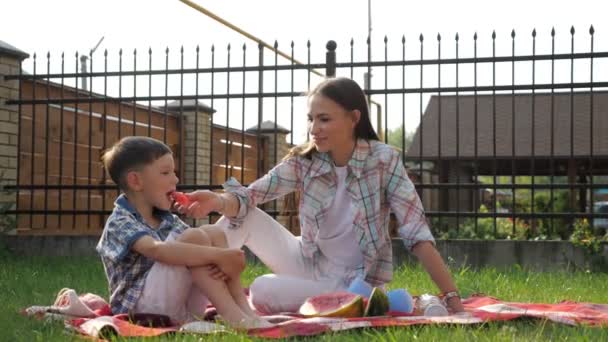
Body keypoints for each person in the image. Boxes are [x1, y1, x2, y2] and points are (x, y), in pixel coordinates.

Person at [177, 77, 465, 315]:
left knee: (263, 288)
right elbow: (253, 195)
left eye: (324, 119)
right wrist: (218, 201)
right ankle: (188, 307)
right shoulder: (306, 160)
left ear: (354, 118)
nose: (314, 129)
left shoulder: (384, 161)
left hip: (350, 282)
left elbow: (416, 233)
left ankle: (354, 304)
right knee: (240, 215)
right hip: (307, 258)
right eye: (311, 119)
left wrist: (452, 299)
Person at [96, 136, 271, 328]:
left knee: (214, 232)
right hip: (141, 310)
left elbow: (201, 247)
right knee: (194, 237)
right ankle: (233, 316)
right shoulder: (120, 221)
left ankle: (242, 308)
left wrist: (222, 258)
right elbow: (156, 250)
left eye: (174, 172)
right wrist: (221, 256)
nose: (176, 179)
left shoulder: (166, 218)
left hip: (179, 306)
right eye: (165, 172)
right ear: (136, 181)